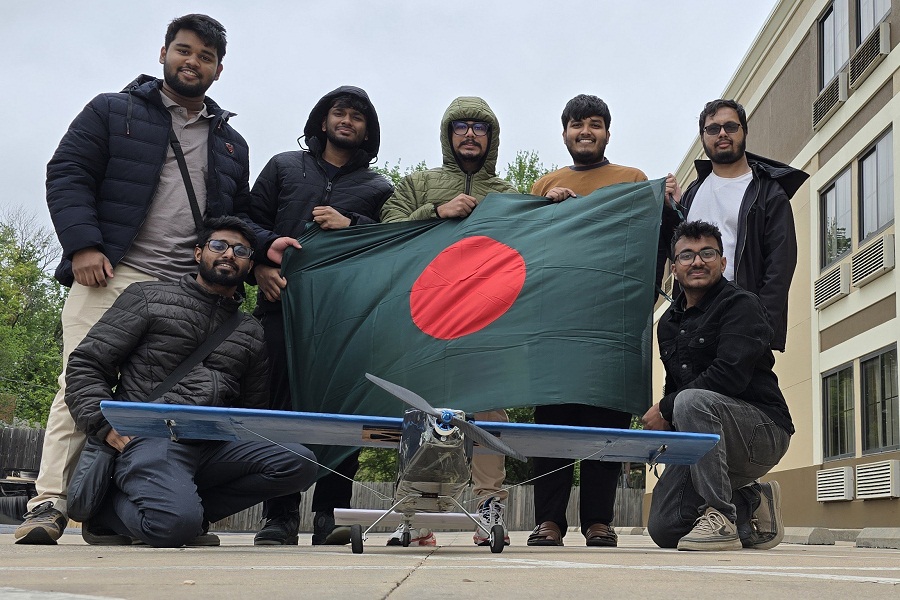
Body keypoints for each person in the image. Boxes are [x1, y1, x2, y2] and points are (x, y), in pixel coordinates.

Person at [15, 14, 252, 545]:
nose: (193, 62)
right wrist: (83, 244)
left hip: (183, 289)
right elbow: (68, 171)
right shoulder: (111, 111)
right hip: (111, 272)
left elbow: (235, 217)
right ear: (164, 52)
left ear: (218, 69)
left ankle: (130, 504)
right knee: (80, 384)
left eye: (206, 57)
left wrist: (264, 252)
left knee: (174, 400)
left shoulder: (232, 144)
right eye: (184, 50)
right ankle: (50, 502)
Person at [64, 217, 316, 548]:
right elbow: (87, 364)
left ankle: (187, 513)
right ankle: (108, 513)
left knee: (299, 462)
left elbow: (254, 409)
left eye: (240, 250)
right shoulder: (148, 297)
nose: (229, 254)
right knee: (173, 530)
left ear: (250, 264)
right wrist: (104, 426)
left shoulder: (250, 330)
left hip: (212, 445)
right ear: (198, 253)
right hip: (150, 438)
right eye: (218, 245)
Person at [527, 94, 678, 548]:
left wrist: (667, 204)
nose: (585, 132)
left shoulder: (632, 179)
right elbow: (525, 249)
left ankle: (598, 520)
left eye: (594, 124)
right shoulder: (543, 183)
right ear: (565, 134)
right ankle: (548, 521)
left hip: (611, 324)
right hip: (552, 323)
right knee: (551, 423)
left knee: (605, 423)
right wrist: (546, 208)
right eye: (576, 125)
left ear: (607, 132)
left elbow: (657, 238)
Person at [246, 86, 393, 546]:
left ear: (367, 129)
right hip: (280, 308)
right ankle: (280, 517)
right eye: (339, 113)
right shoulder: (284, 166)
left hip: (344, 320)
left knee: (343, 413)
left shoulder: (378, 186)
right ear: (323, 119)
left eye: (357, 116)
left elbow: (391, 244)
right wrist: (261, 265)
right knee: (281, 411)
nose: (347, 121)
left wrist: (353, 225)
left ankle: (330, 515)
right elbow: (245, 221)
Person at [381, 96, 516, 546]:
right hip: (426, 316)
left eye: (480, 126)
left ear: (491, 136)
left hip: (487, 319)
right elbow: (388, 230)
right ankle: (417, 516)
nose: (471, 134)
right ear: (448, 133)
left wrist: (553, 206)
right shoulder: (418, 184)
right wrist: (437, 212)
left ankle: (488, 508)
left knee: (489, 410)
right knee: (424, 411)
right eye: (461, 126)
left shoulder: (510, 194)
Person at [643, 220, 793, 551]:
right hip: (708, 438)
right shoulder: (668, 323)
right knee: (665, 528)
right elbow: (676, 383)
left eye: (707, 253)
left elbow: (729, 375)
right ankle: (750, 498)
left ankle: (722, 518)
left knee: (688, 402)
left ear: (722, 262)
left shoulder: (741, 304)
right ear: (674, 268)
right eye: (686, 256)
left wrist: (666, 408)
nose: (697, 262)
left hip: (761, 432)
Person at [660, 99, 809, 352]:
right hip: (691, 319)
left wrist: (761, 325)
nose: (722, 134)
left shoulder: (768, 192)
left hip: (740, 318)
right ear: (703, 137)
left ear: (744, 132)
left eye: (731, 126)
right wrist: (672, 210)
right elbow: (676, 253)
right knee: (688, 391)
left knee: (739, 390)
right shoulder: (692, 194)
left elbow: (780, 263)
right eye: (713, 128)